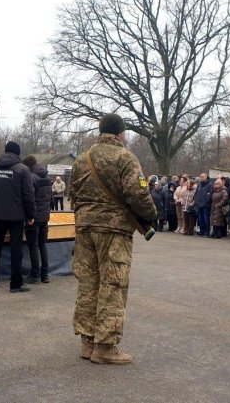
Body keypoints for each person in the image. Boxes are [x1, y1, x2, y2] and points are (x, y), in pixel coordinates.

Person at [69, 113, 156, 365]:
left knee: (88, 284)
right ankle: (105, 346)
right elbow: (139, 195)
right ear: (121, 133)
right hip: (113, 231)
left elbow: (73, 193)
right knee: (112, 284)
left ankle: (87, 342)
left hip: (84, 228)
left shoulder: (82, 159)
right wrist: (151, 214)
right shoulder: (124, 157)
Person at [0, 141, 35, 293]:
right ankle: (15, 284)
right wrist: (30, 215)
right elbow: (28, 195)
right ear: (18, 153)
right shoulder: (23, 170)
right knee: (16, 249)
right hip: (17, 217)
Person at [22, 155, 52, 284]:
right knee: (42, 244)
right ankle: (45, 274)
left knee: (33, 246)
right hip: (45, 216)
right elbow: (51, 198)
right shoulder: (47, 178)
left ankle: (35, 274)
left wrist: (30, 216)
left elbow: (30, 198)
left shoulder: (31, 178)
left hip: (34, 217)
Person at [195, 173, 213, 237]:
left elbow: (209, 195)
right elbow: (196, 194)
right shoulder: (199, 185)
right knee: (200, 219)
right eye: (200, 177)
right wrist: (196, 202)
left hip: (206, 206)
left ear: (206, 177)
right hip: (199, 205)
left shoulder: (210, 185)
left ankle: (206, 232)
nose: (201, 178)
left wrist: (205, 202)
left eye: (202, 177)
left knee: (206, 219)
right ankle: (201, 231)